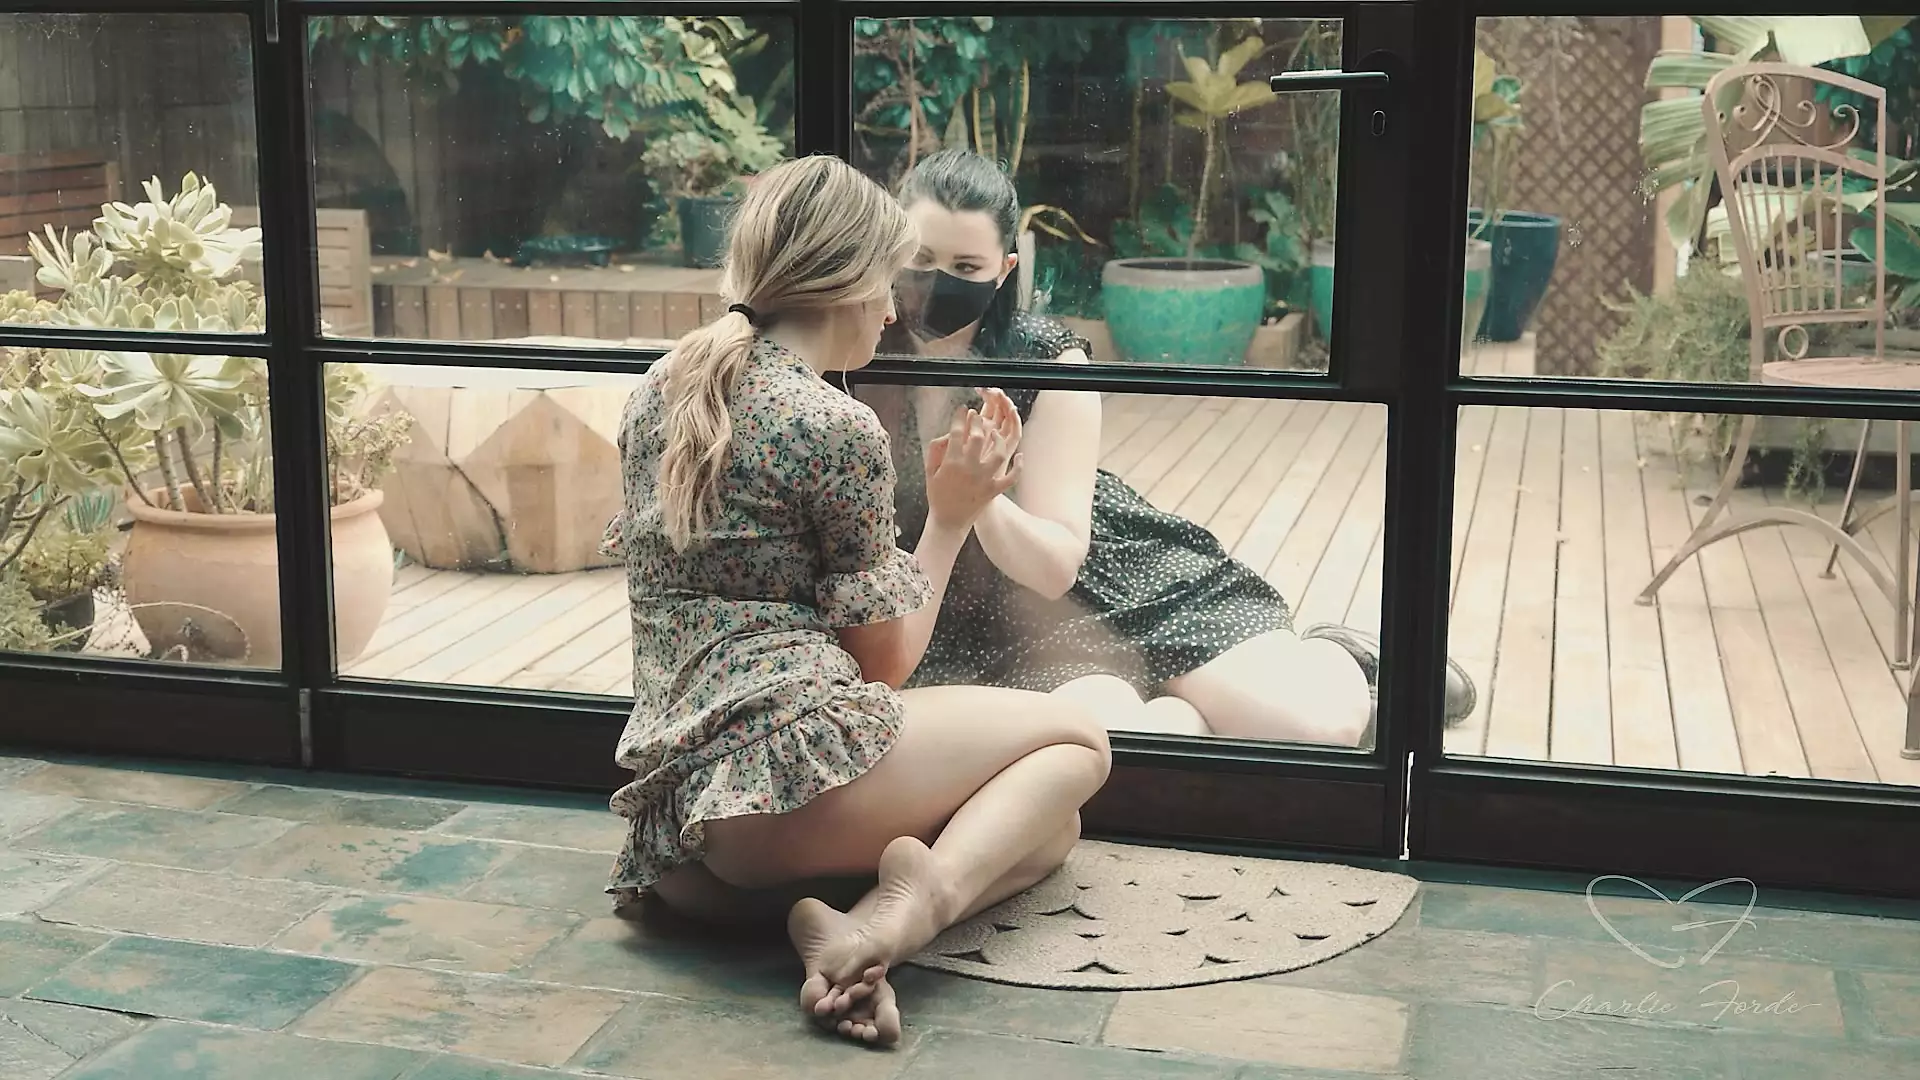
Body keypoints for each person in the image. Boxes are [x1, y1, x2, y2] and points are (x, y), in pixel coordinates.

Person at [597, 155, 1109, 1047]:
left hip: (687, 834)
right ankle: (902, 920)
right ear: (849, 284)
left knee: (1048, 831)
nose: (895, 310)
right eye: (892, 281)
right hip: (787, 793)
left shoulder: (662, 390)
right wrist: (953, 514)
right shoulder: (835, 424)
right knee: (1079, 742)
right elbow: (886, 667)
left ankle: (842, 929)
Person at [859, 148, 1476, 746]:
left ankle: (1338, 655)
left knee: (1319, 728)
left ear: (1004, 270)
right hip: (969, 619)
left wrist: (980, 497)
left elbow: (1056, 568)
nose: (937, 283)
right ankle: (1199, 706)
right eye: (921, 258)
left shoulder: (1047, 361)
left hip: (1094, 583)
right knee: (1116, 741)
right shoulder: (857, 349)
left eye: (967, 267)